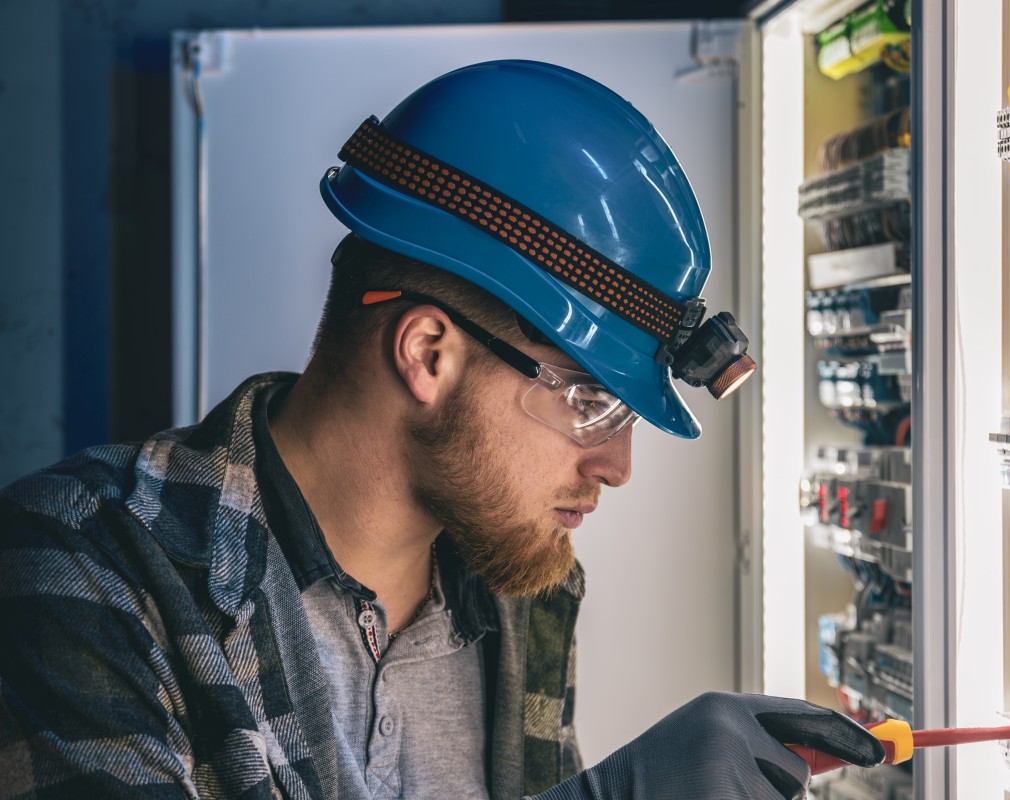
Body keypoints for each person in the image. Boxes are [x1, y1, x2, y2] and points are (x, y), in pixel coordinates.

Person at [0, 60, 883, 799]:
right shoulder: (81, 569)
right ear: (429, 353)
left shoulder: (521, 595)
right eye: (592, 403)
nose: (616, 467)